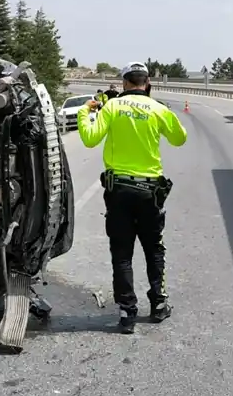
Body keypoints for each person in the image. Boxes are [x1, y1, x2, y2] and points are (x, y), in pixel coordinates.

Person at [77, 62, 187, 334]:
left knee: (122, 254)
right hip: (151, 192)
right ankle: (159, 306)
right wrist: (165, 117)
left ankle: (127, 312)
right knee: (154, 250)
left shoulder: (112, 108)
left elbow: (90, 139)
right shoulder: (159, 108)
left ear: (124, 84)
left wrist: (84, 112)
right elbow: (179, 139)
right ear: (147, 84)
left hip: (119, 192)